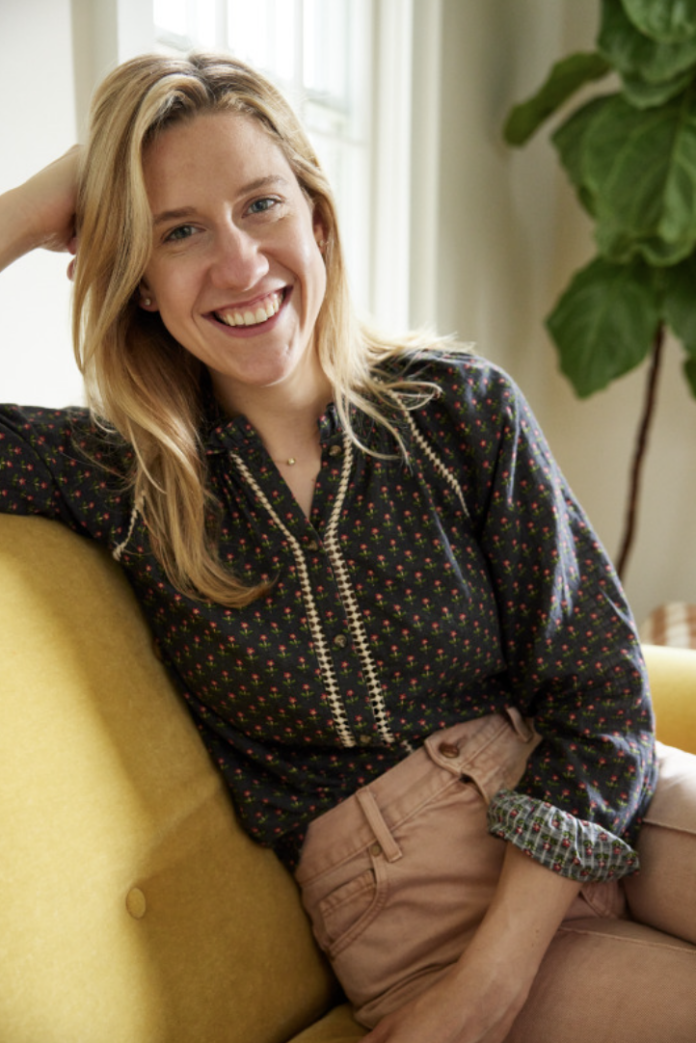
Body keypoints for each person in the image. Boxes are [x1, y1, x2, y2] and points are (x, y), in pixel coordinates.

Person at [1, 52, 695, 1043]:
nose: (239, 263)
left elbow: (598, 692)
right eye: (181, 232)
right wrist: (35, 205)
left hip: (595, 787)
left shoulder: (456, 402)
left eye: (261, 205)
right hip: (411, 891)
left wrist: (491, 988)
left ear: (318, 218)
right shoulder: (117, 477)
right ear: (139, 282)